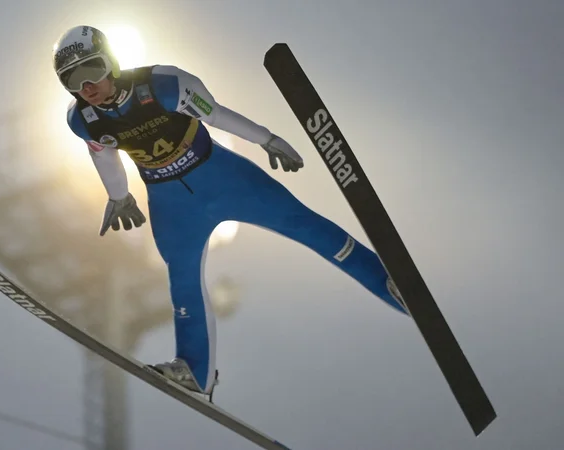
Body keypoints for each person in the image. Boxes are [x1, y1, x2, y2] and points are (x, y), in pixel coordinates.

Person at [53, 25, 407, 399]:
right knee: (182, 278)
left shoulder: (166, 85)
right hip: (171, 204)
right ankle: (195, 370)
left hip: (225, 178)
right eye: (71, 80)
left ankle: (390, 283)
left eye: (89, 71)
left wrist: (265, 138)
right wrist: (119, 196)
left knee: (305, 225)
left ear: (109, 62)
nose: (85, 86)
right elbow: (105, 154)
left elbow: (216, 116)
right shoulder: (82, 119)